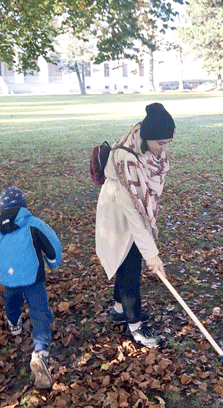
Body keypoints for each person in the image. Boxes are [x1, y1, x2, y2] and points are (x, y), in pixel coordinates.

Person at [95, 102, 175, 348]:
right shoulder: (126, 163)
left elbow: (145, 202)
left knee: (129, 260)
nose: (164, 149)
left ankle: (120, 310)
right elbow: (135, 216)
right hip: (117, 209)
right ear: (147, 137)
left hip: (130, 207)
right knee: (129, 265)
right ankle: (136, 328)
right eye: (160, 143)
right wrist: (153, 256)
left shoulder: (145, 143)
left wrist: (150, 252)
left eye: (168, 143)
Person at [0, 187, 62, 388]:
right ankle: (40, 352)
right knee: (40, 313)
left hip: (10, 282)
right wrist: (54, 263)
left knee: (11, 302)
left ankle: (14, 324)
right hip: (33, 279)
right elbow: (52, 244)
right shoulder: (33, 224)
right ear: (24, 205)